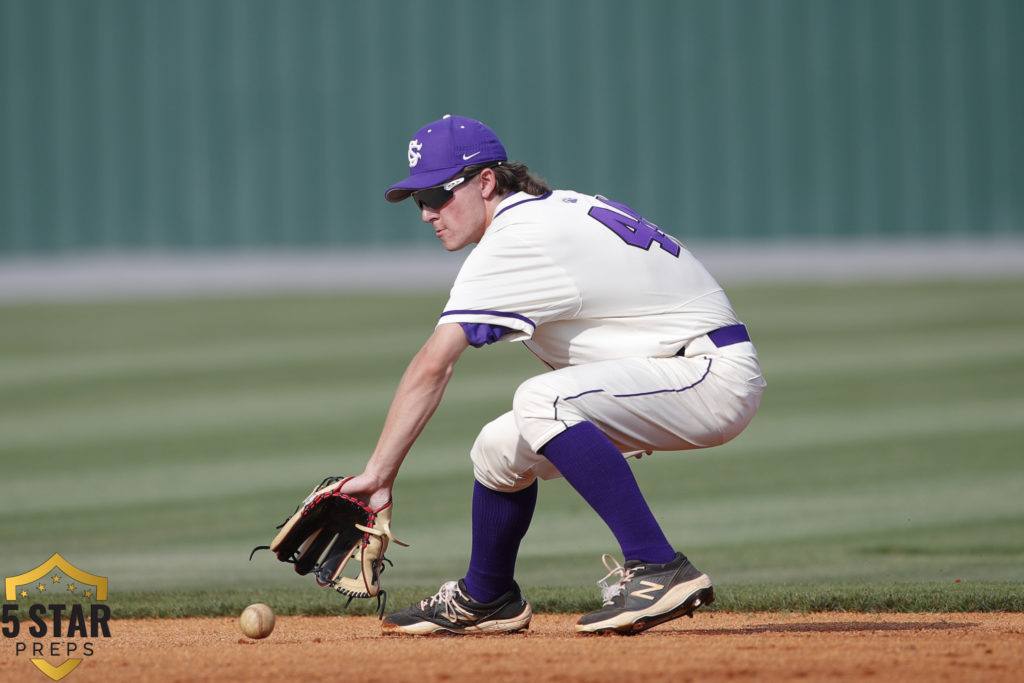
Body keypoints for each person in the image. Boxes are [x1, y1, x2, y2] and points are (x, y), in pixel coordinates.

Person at [336, 114, 765, 635]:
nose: (426, 213)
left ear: (486, 182)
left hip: (705, 374)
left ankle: (657, 565)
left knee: (542, 399)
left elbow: (435, 362)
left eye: (436, 195)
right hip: (674, 366)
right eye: (418, 201)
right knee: (497, 449)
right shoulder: (552, 211)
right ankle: (488, 595)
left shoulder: (517, 238)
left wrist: (379, 475)